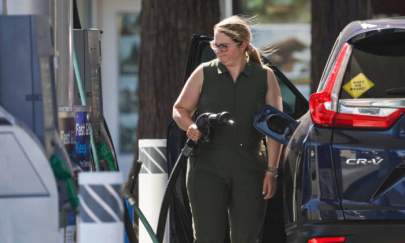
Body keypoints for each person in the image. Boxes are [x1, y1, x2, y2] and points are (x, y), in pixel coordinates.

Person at [172, 15, 283, 243]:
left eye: (224, 46)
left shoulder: (265, 77)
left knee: (247, 237)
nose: (217, 51)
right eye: (215, 45)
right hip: (206, 167)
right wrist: (190, 125)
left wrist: (272, 171)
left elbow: (276, 128)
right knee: (207, 237)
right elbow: (179, 109)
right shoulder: (204, 72)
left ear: (242, 45)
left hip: (249, 168)